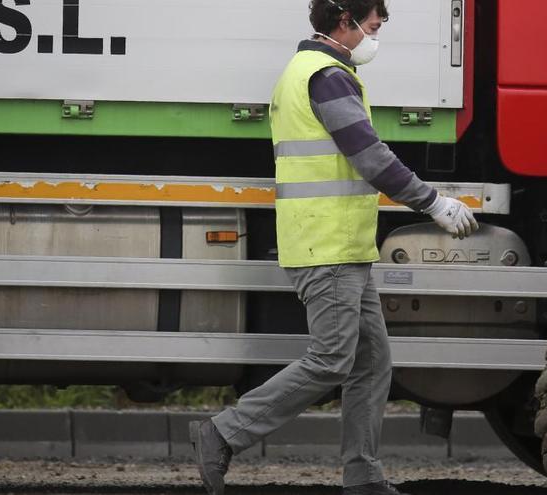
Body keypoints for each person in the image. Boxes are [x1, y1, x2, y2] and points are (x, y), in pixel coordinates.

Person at [188, 1, 479, 494]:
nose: (375, 36)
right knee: (331, 359)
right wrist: (432, 203)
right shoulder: (327, 76)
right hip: (328, 245)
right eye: (371, 26)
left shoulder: (311, 70)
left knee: (370, 362)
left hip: (340, 244)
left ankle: (363, 477)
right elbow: (370, 156)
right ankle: (221, 433)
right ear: (343, 21)